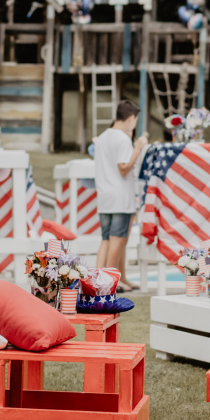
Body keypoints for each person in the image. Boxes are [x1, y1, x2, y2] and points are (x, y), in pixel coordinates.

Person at [93, 99, 148, 290]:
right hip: (120, 196)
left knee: (107, 239)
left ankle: (101, 279)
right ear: (131, 118)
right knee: (117, 240)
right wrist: (138, 148)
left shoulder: (102, 137)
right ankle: (107, 283)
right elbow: (124, 168)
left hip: (104, 195)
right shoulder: (123, 139)